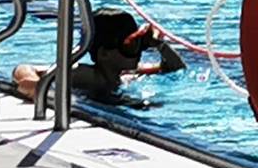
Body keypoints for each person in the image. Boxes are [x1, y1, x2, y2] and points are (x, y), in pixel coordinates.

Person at [11, 9, 184, 105]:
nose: (138, 51)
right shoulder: (85, 75)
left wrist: (160, 45)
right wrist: (37, 89)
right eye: (131, 45)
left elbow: (174, 68)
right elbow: (23, 69)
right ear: (104, 54)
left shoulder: (126, 74)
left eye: (141, 44)